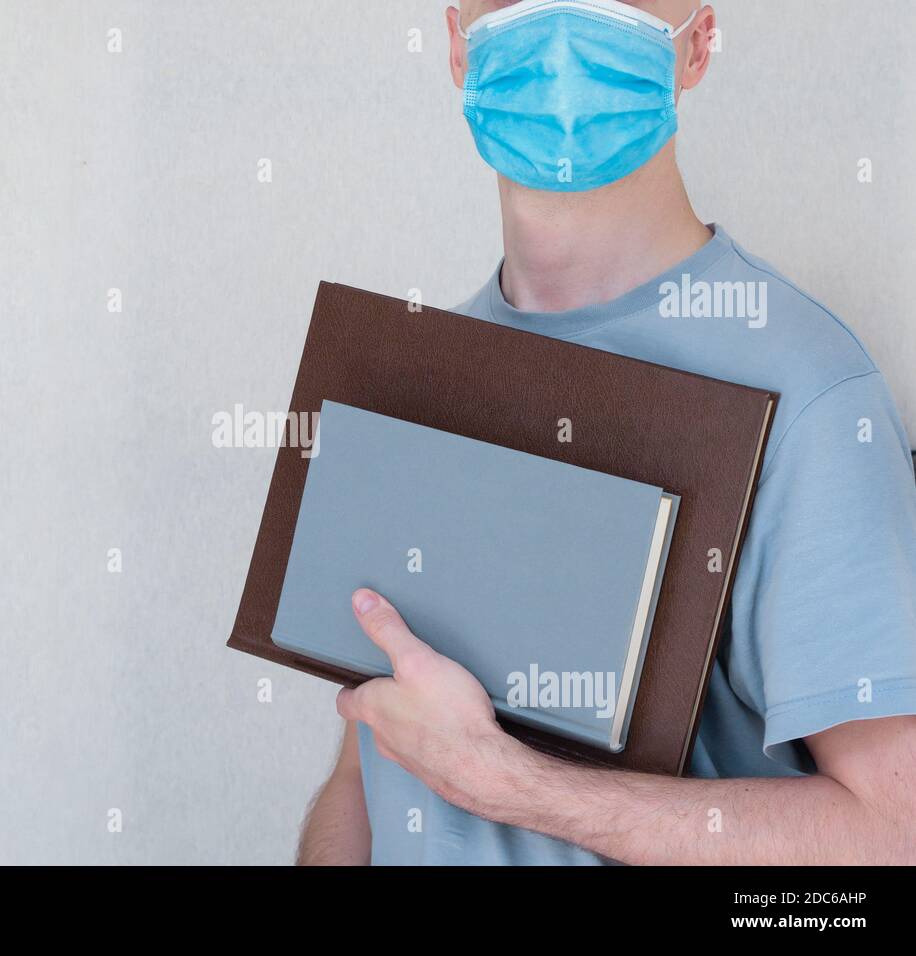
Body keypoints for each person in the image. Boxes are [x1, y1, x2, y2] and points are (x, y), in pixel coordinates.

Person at [297, 0, 916, 865]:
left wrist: (512, 784)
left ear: (696, 45)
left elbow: (892, 835)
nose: (558, 24)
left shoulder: (811, 396)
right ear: (456, 45)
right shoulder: (409, 377)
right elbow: (364, 772)